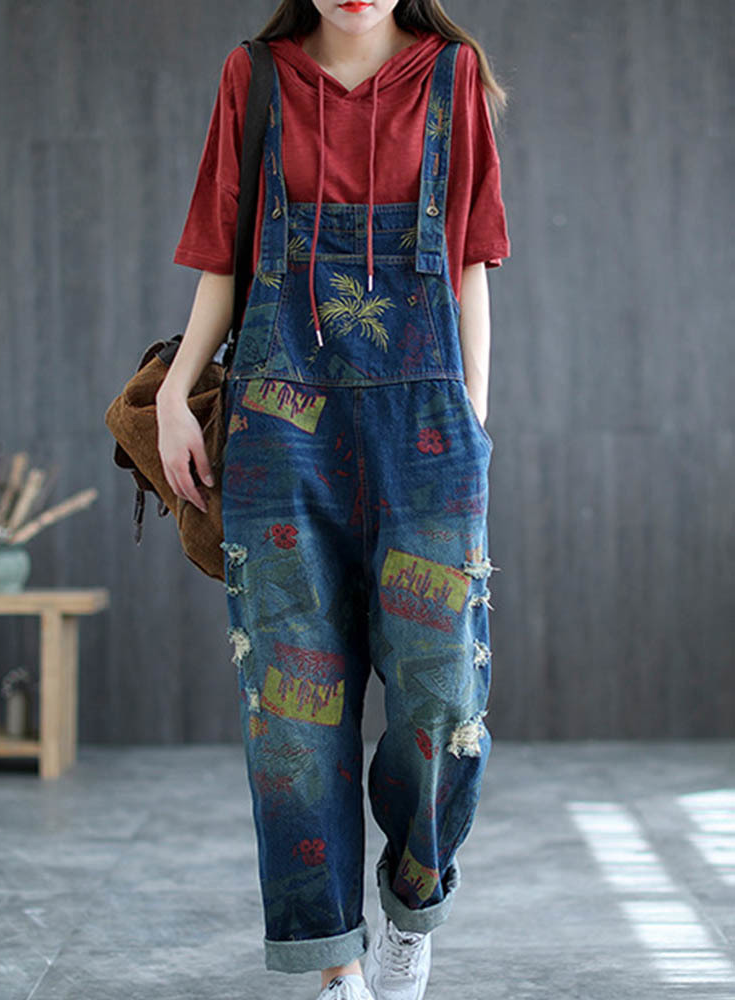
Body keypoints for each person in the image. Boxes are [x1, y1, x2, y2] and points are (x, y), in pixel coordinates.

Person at [157, 2, 510, 998]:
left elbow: (470, 260)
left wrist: (472, 419)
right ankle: (333, 964)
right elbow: (225, 259)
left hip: (427, 429)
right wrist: (178, 393)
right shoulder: (255, 77)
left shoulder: (451, 79)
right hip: (280, 434)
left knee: (443, 700)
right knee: (291, 710)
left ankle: (411, 900)